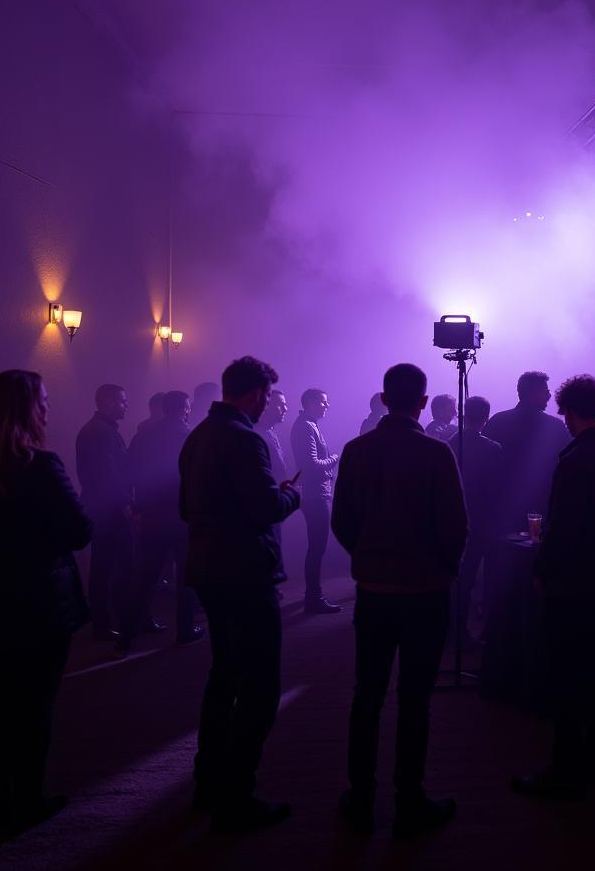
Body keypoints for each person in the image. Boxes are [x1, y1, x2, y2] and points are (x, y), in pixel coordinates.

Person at [0, 370, 91, 833]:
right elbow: (78, 531)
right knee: (34, 706)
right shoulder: (40, 466)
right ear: (26, 409)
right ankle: (28, 800)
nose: (48, 408)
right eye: (43, 400)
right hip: (36, 603)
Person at [332, 363, 468, 838]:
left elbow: (341, 521)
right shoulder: (436, 453)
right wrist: (443, 569)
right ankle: (409, 798)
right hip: (425, 590)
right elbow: (455, 524)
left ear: (384, 399)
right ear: (424, 402)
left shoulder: (356, 450)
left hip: (374, 589)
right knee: (416, 698)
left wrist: (366, 556)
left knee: (367, 695)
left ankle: (361, 796)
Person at [179, 356, 302, 834]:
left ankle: (208, 781)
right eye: (267, 396)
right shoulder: (246, 439)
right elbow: (265, 507)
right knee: (259, 687)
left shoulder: (198, 436)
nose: (267, 404)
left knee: (223, 675)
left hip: (208, 570)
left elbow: (185, 506)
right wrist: (290, 494)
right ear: (254, 394)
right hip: (246, 573)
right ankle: (238, 796)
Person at [513, 375, 595, 799]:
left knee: (566, 676)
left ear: (568, 411)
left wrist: (543, 569)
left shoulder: (573, 461)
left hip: (572, 587)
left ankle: (565, 767)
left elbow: (563, 530)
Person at [129, 390, 202, 645]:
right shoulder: (190, 436)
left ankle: (129, 634)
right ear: (184, 408)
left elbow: (132, 471)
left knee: (145, 574)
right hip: (183, 514)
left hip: (152, 513)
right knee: (186, 574)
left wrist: (138, 506)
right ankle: (185, 629)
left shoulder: (143, 435)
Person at [76, 383, 136, 652]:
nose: (126, 405)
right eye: (122, 401)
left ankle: (105, 622)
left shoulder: (98, 430)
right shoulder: (101, 433)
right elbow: (108, 474)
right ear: (109, 402)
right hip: (109, 510)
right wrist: (125, 504)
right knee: (111, 568)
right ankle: (107, 623)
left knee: (105, 567)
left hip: (103, 508)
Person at [485, 371, 570, 535]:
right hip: (541, 507)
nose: (549, 396)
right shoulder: (554, 426)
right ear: (533, 393)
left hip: (501, 507)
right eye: (546, 392)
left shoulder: (498, 421)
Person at [447, 395, 503, 641]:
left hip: (455, 517)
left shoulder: (450, 443)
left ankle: (454, 630)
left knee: (460, 577)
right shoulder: (492, 448)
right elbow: (496, 489)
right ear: (486, 417)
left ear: (462, 413)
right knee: (485, 577)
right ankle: (487, 633)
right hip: (484, 520)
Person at [290, 388, 341, 615]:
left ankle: (313, 595)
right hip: (315, 494)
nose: (326, 406)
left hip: (315, 493)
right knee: (317, 547)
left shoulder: (308, 424)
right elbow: (311, 464)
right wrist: (334, 458)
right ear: (311, 402)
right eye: (323, 402)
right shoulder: (306, 426)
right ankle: (314, 597)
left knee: (316, 546)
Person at [260, 390, 290, 585]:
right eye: (280, 405)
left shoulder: (270, 431)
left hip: (274, 499)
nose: (285, 409)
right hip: (266, 503)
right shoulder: (258, 433)